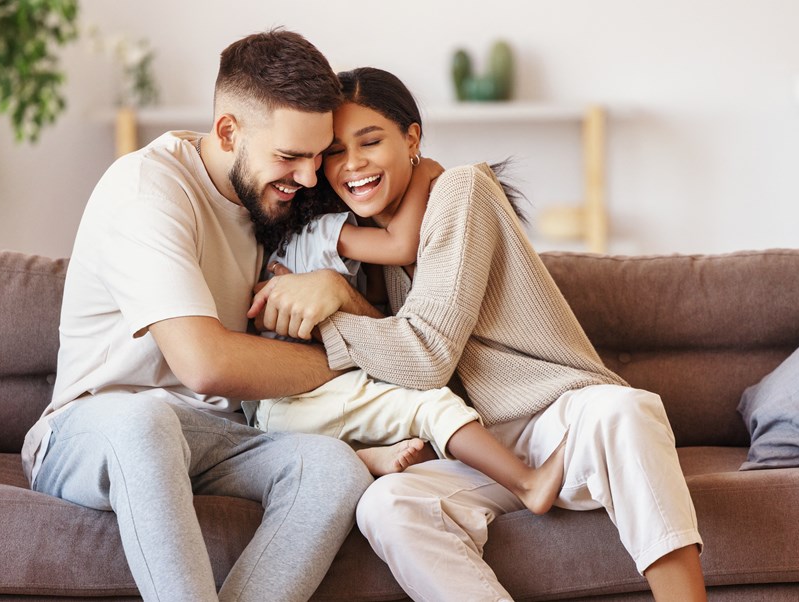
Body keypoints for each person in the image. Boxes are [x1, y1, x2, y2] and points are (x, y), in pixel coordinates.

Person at [249, 66, 708, 602]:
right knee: (387, 505)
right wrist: (339, 292)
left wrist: (327, 309)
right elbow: (400, 347)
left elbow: (425, 357)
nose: (351, 164)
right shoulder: (369, 238)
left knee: (624, 411)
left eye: (370, 141)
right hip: (481, 448)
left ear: (412, 137)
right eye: (334, 152)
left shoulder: (461, 190)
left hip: (557, 420)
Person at [20, 30, 374, 602]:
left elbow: (388, 307)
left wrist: (334, 288)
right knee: (147, 421)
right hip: (94, 430)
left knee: (334, 467)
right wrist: (342, 360)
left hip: (220, 435)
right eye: (289, 156)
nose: (310, 177)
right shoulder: (147, 186)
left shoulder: (280, 198)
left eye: (317, 155)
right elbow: (204, 364)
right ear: (229, 131)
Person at [250, 157, 568, 514]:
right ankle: (527, 484)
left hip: (283, 411)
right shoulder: (323, 232)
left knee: (395, 413)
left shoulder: (284, 242)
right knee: (431, 404)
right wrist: (422, 173)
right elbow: (399, 244)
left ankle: (366, 458)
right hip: (297, 401)